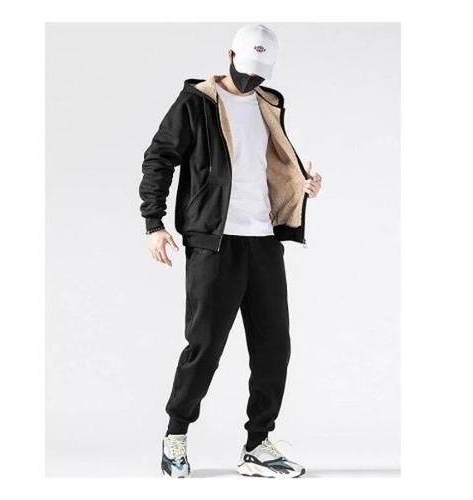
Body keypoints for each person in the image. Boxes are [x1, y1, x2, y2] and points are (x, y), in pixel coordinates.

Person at [139, 24, 322, 478]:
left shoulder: (268, 103)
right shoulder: (196, 102)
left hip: (264, 242)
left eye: (261, 72)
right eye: (246, 68)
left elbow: (268, 164)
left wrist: (301, 184)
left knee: (274, 347)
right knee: (204, 346)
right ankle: (175, 435)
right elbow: (159, 158)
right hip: (213, 243)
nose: (252, 79)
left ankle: (257, 445)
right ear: (229, 56)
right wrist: (153, 223)